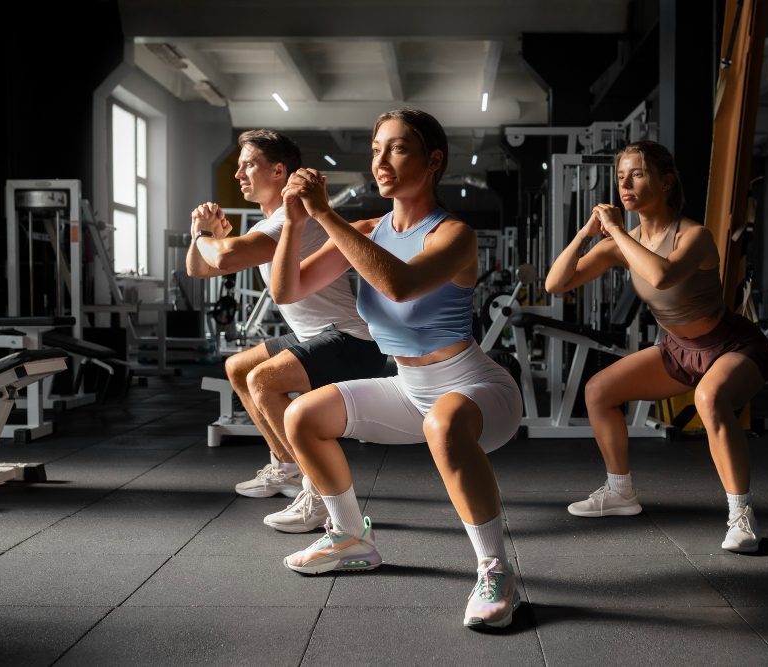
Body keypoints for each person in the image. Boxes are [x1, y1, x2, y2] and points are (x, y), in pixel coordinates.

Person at [270, 109, 523, 630]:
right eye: (376, 149)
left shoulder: (454, 234)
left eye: (397, 148)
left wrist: (325, 216)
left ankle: (496, 570)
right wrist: (296, 222)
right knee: (303, 418)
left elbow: (400, 285)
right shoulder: (364, 229)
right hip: (410, 389)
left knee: (445, 424)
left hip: (475, 387)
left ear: (433, 161)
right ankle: (350, 538)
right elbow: (286, 290)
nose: (381, 161)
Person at [545, 140, 768, 553]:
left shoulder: (696, 236)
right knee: (599, 391)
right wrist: (587, 232)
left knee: (710, 398)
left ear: (666, 181)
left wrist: (615, 230)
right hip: (679, 349)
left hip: (731, 345)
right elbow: (556, 284)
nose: (625, 184)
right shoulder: (620, 242)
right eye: (620, 176)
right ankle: (620, 492)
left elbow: (660, 276)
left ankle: (742, 517)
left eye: (637, 173)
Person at [186, 129, 387, 534]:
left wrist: (209, 235)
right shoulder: (271, 221)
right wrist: (201, 234)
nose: (240, 173)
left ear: (279, 171)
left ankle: (318, 494)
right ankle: (287, 467)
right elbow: (199, 267)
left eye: (249, 164)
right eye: (240, 165)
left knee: (264, 380)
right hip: (316, 334)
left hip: (352, 338)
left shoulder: (290, 220)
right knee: (240, 367)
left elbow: (222, 258)